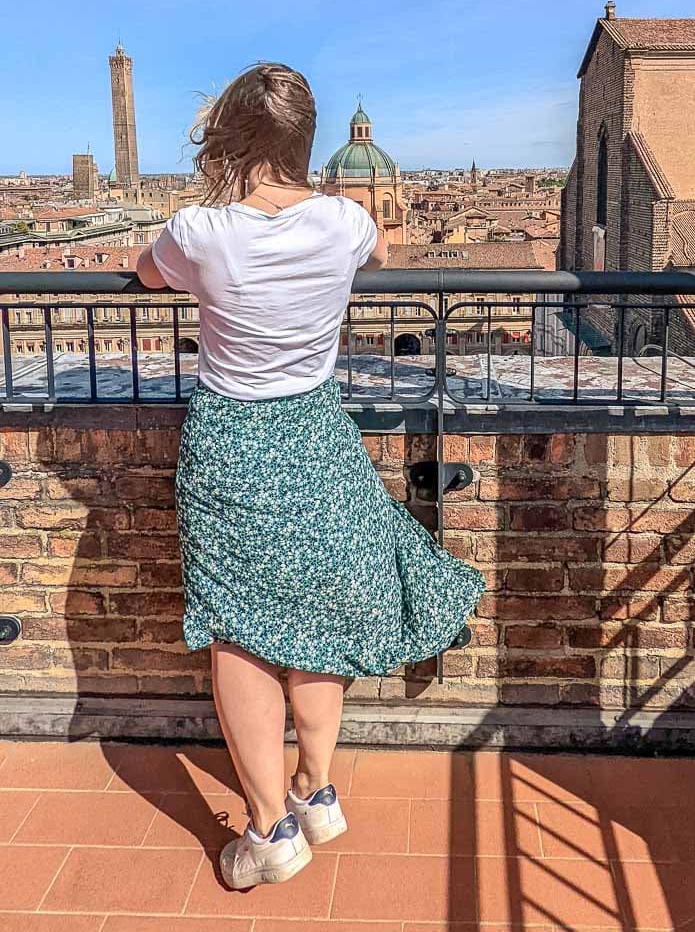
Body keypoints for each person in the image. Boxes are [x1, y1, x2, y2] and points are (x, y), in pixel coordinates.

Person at [137, 63, 485, 890]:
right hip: (317, 432)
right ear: (307, 141)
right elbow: (381, 244)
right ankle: (317, 790)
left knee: (241, 630)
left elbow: (148, 275)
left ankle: (268, 834)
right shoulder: (345, 222)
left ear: (229, 137)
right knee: (319, 612)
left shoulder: (197, 230)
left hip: (233, 443)